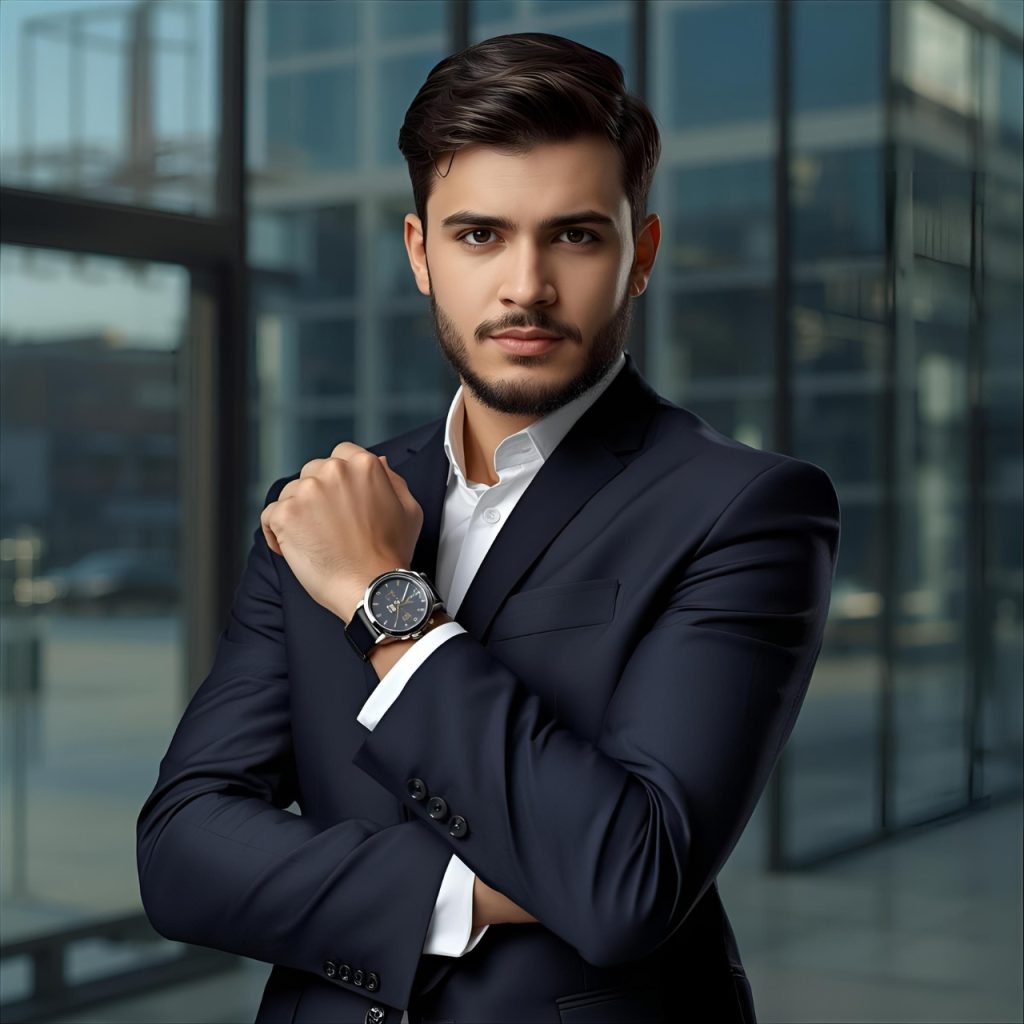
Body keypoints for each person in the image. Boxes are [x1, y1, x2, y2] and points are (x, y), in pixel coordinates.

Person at [137, 31, 839, 1024]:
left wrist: (392, 610)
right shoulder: (322, 504)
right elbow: (181, 852)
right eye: (479, 235)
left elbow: (628, 881)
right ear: (421, 254)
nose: (525, 285)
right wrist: (481, 887)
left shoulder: (746, 510)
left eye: (575, 235)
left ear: (639, 255)